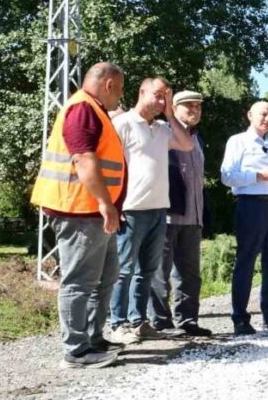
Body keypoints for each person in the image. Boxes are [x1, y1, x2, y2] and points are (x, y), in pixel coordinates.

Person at [30, 62, 127, 369]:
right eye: (121, 89)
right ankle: (76, 351)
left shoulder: (93, 109)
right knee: (80, 281)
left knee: (107, 276)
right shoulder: (82, 109)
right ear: (109, 84)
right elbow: (83, 159)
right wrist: (105, 203)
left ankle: (94, 339)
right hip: (80, 209)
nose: (120, 97)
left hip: (94, 210)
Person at [106, 77, 194, 345]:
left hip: (158, 208)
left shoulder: (163, 128)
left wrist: (169, 113)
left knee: (147, 270)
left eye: (165, 97)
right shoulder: (122, 124)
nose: (160, 101)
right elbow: (109, 165)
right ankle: (117, 324)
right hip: (131, 209)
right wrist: (112, 204)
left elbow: (187, 144)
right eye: (156, 95)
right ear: (141, 92)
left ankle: (138, 321)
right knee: (124, 269)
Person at [220, 101, 268, 334]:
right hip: (251, 205)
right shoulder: (238, 141)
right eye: (263, 114)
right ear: (250, 115)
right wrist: (259, 176)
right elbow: (227, 176)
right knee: (246, 261)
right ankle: (240, 318)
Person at [148, 90, 212, 337]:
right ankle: (160, 323)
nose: (195, 110)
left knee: (189, 274)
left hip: (193, 216)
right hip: (167, 214)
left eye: (198, 107)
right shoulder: (162, 132)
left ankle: (188, 320)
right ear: (173, 109)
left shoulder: (198, 138)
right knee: (159, 273)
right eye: (189, 107)